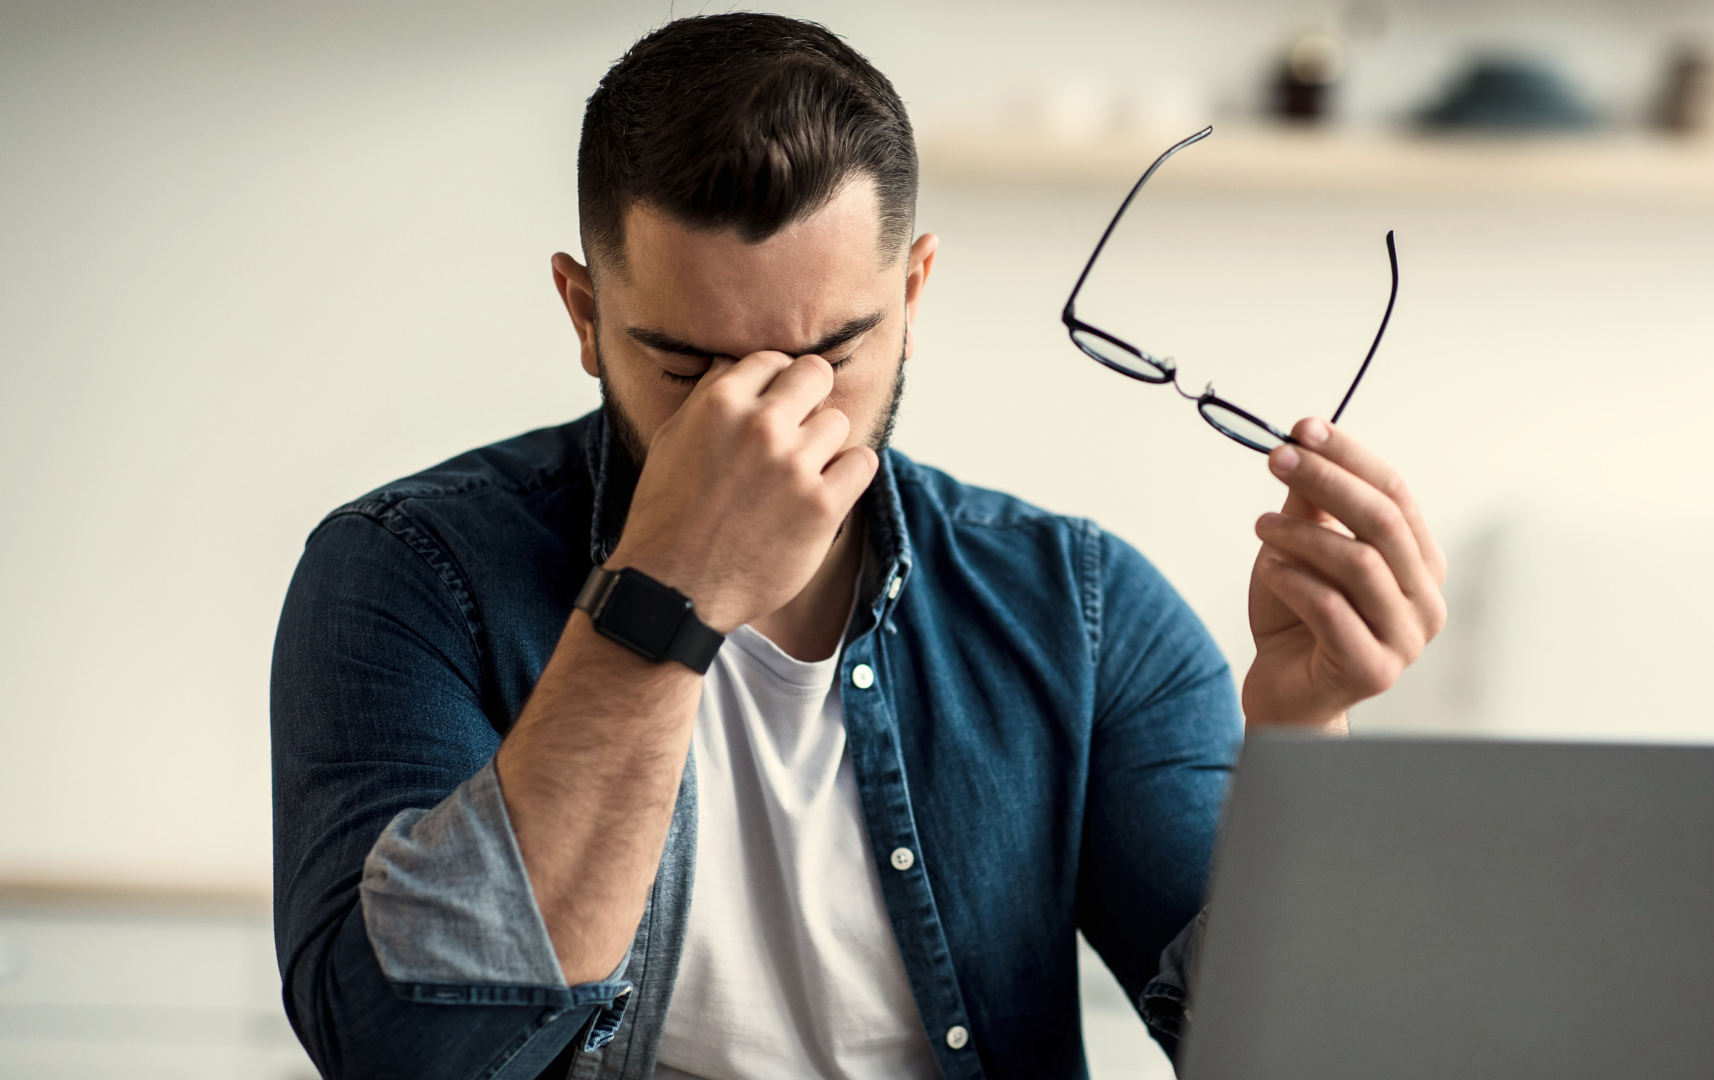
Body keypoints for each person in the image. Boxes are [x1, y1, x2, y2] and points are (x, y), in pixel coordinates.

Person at [270, 13, 1447, 1080]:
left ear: (914, 295)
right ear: (585, 315)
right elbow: (403, 1052)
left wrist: (1304, 738)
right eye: (689, 368)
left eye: (830, 354)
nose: (766, 421)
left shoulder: (1081, 612)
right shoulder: (409, 575)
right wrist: (667, 592)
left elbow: (1288, 1057)